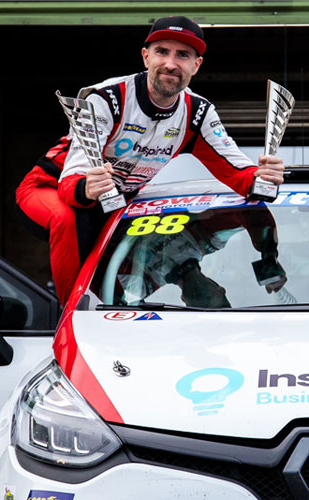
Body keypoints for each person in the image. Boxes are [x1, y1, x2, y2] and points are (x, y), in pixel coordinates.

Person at [16, 15, 286, 302]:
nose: (171, 63)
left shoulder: (198, 113)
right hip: (49, 188)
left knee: (121, 272)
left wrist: (264, 177)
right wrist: (87, 188)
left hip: (111, 206)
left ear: (196, 66)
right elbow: (71, 186)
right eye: (162, 52)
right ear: (146, 57)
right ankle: (69, 316)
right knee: (68, 218)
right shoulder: (107, 98)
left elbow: (238, 175)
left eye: (183, 55)